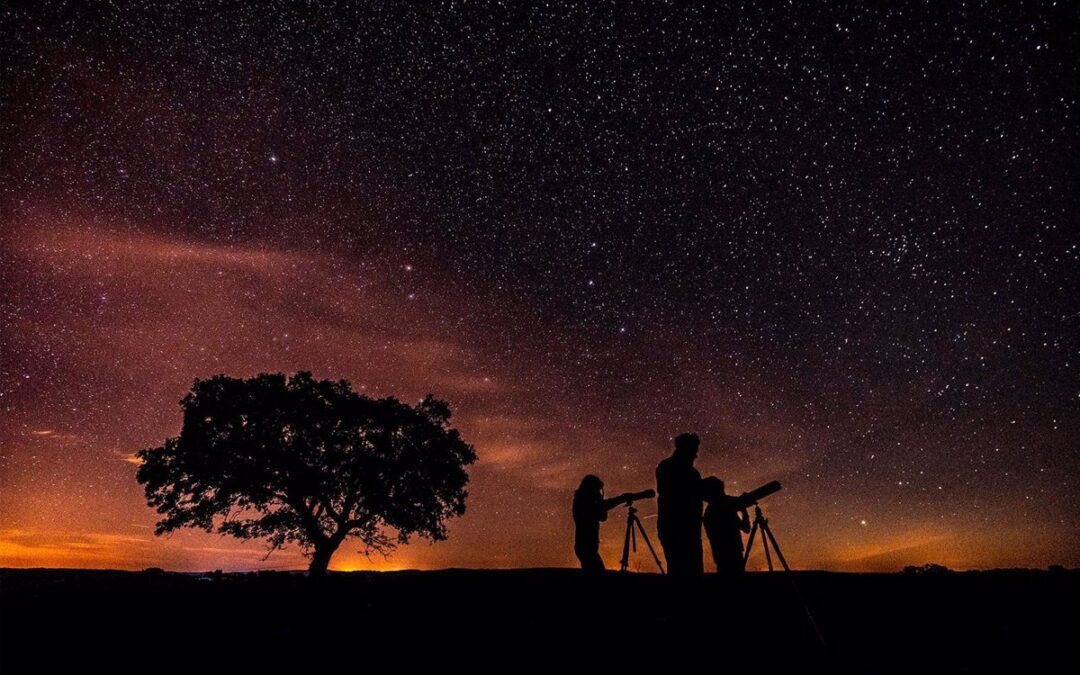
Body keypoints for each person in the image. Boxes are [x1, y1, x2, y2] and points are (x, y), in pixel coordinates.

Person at [655, 432, 704, 577]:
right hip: (677, 529)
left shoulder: (669, 467)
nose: (696, 455)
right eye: (694, 451)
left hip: (685, 529)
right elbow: (675, 494)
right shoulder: (673, 469)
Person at [572, 475, 635, 573]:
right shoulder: (583, 501)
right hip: (586, 548)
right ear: (591, 489)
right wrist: (619, 499)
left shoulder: (581, 500)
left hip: (587, 547)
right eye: (597, 490)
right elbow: (601, 514)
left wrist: (602, 500)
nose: (598, 492)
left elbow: (602, 516)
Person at [702, 476, 751, 573]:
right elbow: (746, 528)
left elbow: (746, 529)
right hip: (729, 554)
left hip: (724, 555)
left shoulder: (713, 511)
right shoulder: (721, 509)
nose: (725, 495)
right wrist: (743, 510)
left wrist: (743, 510)